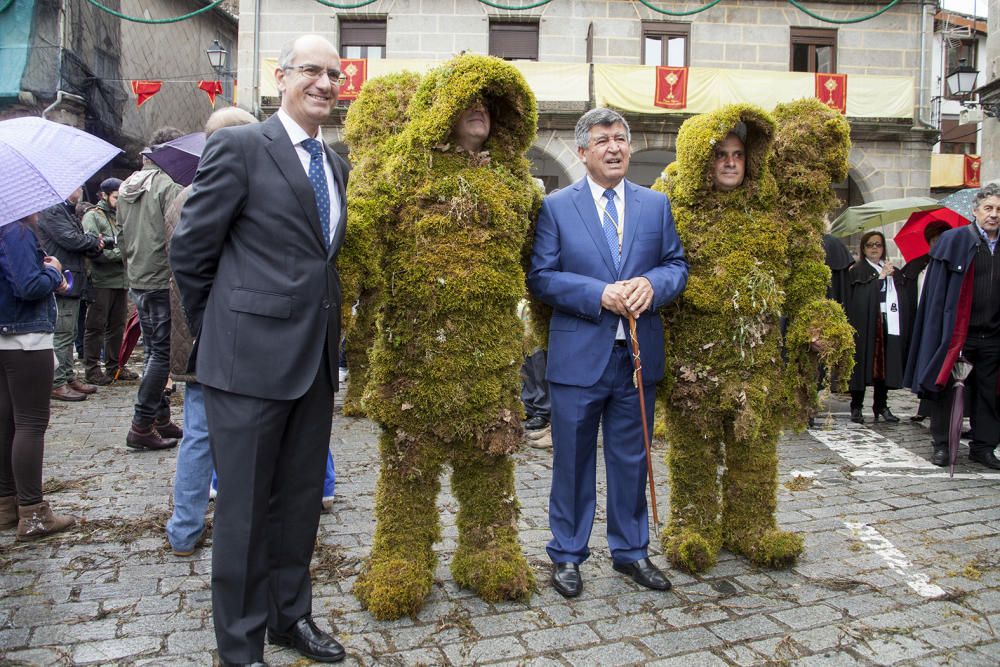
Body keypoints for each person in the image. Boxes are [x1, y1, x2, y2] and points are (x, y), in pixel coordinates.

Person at [171, 34, 348, 664]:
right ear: (282, 77)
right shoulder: (241, 146)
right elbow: (191, 253)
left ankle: (288, 618)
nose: (325, 82)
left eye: (334, 72)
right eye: (312, 71)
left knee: (299, 504)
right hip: (245, 365)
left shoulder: (336, 162)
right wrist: (223, 327)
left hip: (314, 364)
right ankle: (239, 646)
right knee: (244, 514)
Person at [348, 54, 538, 621]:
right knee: (409, 466)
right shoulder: (402, 169)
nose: (479, 109)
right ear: (439, 109)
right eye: (466, 99)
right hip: (417, 355)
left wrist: (544, 327)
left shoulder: (517, 183)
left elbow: (541, 261)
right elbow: (358, 236)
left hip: (491, 358)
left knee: (490, 462)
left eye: (489, 101)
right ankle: (401, 556)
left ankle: (490, 549)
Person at [528, 108, 688, 598]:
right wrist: (598, 293)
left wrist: (650, 284)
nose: (615, 147)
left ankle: (632, 552)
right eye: (603, 140)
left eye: (621, 138)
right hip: (579, 358)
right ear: (582, 152)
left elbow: (675, 266)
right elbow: (542, 277)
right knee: (572, 460)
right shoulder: (557, 207)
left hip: (637, 359)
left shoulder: (655, 205)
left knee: (631, 459)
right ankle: (569, 555)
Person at [163, 107, 257, 558]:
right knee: (211, 433)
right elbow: (199, 267)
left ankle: (184, 530)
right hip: (212, 334)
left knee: (200, 433)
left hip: (191, 330)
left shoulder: (184, 194)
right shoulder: (218, 195)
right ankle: (196, 529)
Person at [906, 183, 1000, 470]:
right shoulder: (954, 241)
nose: (994, 215)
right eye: (988, 208)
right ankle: (943, 446)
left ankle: (983, 447)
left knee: (990, 393)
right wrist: (937, 334)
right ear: (975, 211)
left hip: (993, 334)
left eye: (998, 210)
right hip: (958, 334)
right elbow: (936, 296)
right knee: (946, 389)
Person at [0, 214, 76, 539]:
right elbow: (28, 286)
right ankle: (32, 512)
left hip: (6, 337)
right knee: (30, 423)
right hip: (25, 339)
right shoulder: (15, 230)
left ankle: (6, 505)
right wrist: (53, 271)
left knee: (7, 423)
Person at [118, 127, 184, 451]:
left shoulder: (128, 184)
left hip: (139, 278)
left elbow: (121, 236)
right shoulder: (167, 186)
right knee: (161, 353)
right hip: (160, 278)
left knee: (154, 349)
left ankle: (159, 418)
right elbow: (178, 235)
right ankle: (141, 424)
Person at [36, 187, 104, 401]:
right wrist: (94, 241)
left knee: (70, 331)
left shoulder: (65, 210)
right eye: (78, 186)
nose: (82, 189)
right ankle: (57, 382)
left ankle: (67, 375)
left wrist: (92, 243)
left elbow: (79, 238)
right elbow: (72, 239)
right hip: (63, 278)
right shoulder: (52, 210)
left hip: (72, 277)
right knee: (63, 333)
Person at [846, 231, 908, 424]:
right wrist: (880, 278)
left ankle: (881, 405)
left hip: (887, 320)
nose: (875, 248)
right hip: (866, 323)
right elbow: (859, 298)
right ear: (863, 249)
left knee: (885, 364)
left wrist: (890, 276)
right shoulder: (858, 270)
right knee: (863, 361)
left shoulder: (891, 269)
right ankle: (857, 405)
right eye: (870, 245)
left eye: (879, 245)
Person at [81, 178, 132, 385]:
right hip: (101, 280)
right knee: (95, 326)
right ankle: (91, 369)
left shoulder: (121, 216)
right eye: (116, 197)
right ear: (104, 195)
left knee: (117, 326)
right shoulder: (93, 216)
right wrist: (124, 254)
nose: (119, 202)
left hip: (121, 280)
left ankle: (114, 366)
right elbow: (96, 249)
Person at [900, 220, 952, 423]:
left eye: (941, 240)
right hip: (920, 319)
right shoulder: (919, 265)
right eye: (934, 240)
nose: (937, 244)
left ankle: (934, 406)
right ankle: (923, 403)